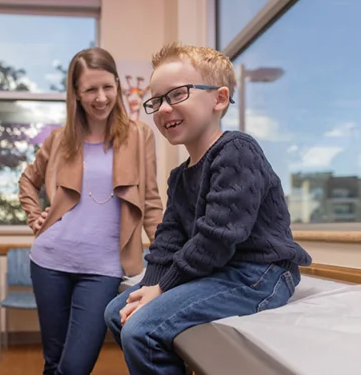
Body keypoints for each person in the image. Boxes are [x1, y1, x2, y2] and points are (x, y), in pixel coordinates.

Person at [103, 42, 313, 375]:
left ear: (218, 98)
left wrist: (164, 287)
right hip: (221, 269)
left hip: (261, 273)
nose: (162, 108)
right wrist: (150, 284)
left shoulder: (237, 150)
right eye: (155, 100)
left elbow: (217, 236)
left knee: (141, 330)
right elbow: (168, 239)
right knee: (116, 312)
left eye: (177, 94)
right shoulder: (180, 177)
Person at [18, 47, 163, 375]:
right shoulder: (59, 140)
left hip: (104, 269)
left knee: (74, 367)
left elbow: (151, 202)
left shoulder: (139, 136)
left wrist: (168, 262)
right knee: (53, 362)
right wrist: (34, 214)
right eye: (90, 90)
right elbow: (28, 180)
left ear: (117, 84)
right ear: (76, 94)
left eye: (108, 87)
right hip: (49, 261)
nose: (101, 97)